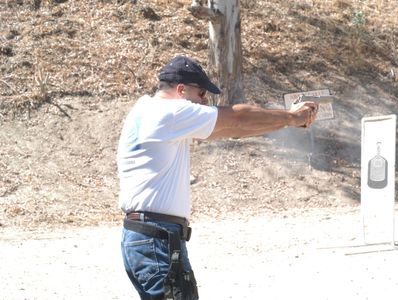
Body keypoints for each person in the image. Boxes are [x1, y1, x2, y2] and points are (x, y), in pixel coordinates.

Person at [117, 55, 318, 300]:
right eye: (201, 94)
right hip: (157, 238)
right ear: (181, 90)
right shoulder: (170, 112)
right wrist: (291, 117)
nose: (204, 102)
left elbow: (231, 129)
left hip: (147, 236)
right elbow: (237, 118)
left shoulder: (146, 110)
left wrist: (287, 122)